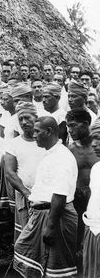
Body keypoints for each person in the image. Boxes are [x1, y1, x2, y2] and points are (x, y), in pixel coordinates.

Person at [14, 116, 78, 278]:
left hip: (56, 216)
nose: (34, 135)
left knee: (58, 269)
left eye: (37, 131)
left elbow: (60, 194)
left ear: (49, 131)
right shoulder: (50, 153)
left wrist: (50, 226)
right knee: (26, 254)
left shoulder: (61, 156)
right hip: (41, 214)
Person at [4, 102, 45, 241]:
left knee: (45, 233)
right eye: (20, 119)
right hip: (24, 195)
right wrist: (27, 193)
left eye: (27, 118)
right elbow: (10, 172)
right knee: (27, 235)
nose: (23, 122)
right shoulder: (13, 144)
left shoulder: (46, 141)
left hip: (45, 196)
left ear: (36, 117)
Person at [66, 110, 100, 258]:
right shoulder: (70, 150)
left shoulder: (97, 147)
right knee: (78, 236)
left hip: (96, 198)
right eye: (68, 126)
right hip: (78, 199)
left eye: (73, 125)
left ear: (86, 124)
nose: (70, 130)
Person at [82, 118, 100, 277]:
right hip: (92, 232)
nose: (94, 144)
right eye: (93, 138)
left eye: (99, 139)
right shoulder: (96, 168)